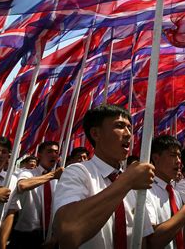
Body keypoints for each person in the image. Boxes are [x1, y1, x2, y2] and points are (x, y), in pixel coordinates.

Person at [53, 104, 155, 248]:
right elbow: (68, 233)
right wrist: (126, 182)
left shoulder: (133, 181)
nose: (128, 134)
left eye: (129, 128)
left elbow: (142, 239)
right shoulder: (78, 172)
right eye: (119, 126)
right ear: (95, 133)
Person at [145, 135, 185, 248]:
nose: (178, 161)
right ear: (156, 158)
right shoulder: (146, 192)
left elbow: (181, 231)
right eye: (173, 155)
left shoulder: (175, 193)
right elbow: (153, 240)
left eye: (179, 156)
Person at [10, 141, 63, 248]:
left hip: (51, 233)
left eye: (56, 152)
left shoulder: (61, 178)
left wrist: (56, 236)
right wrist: (52, 175)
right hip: (26, 235)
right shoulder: (28, 173)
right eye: (49, 151)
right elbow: (22, 185)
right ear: (39, 154)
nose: (53, 155)